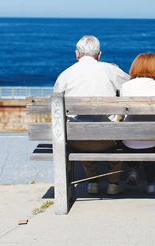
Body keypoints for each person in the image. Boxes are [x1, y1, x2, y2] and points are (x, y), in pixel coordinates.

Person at [53, 35, 130, 196]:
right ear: (99, 55)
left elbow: (56, 107)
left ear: (77, 54)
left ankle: (93, 183)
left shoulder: (65, 75)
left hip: (77, 141)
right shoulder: (110, 70)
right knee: (115, 128)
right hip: (107, 140)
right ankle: (113, 184)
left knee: (81, 124)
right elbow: (130, 87)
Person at [119, 52, 155, 195]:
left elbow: (121, 115)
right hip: (153, 142)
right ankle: (151, 184)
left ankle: (133, 170)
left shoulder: (125, 87)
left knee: (131, 135)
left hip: (129, 142)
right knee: (150, 138)